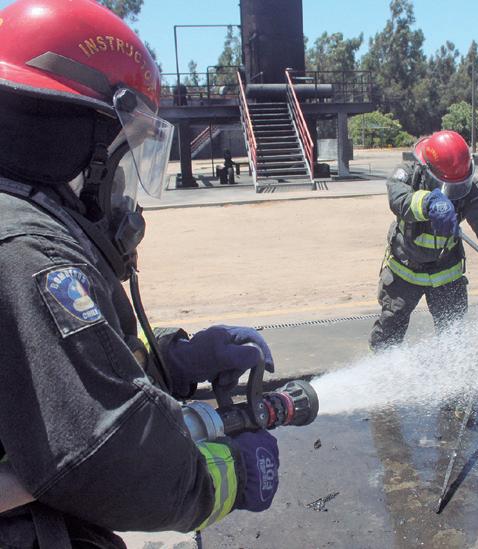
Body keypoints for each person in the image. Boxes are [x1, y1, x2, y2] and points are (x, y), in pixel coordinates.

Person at [0, 1, 279, 547]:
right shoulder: (30, 254)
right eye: (125, 156)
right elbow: (106, 455)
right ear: (84, 145)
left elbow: (58, 373)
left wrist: (170, 361)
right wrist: (221, 480)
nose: (123, 190)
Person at [369, 130, 478, 351]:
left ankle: (451, 371)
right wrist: (428, 203)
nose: (454, 192)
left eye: (459, 186)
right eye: (448, 185)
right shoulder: (407, 173)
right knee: (389, 331)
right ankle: (379, 369)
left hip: (447, 273)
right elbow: (398, 198)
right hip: (404, 271)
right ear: (427, 170)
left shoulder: (468, 187)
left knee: (453, 335)